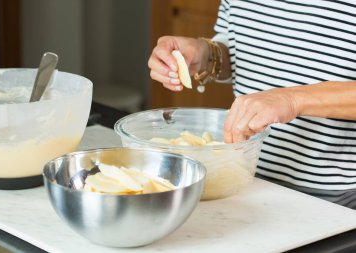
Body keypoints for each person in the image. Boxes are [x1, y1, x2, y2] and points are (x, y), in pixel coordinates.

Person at [148, 0, 356, 191]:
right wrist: (207, 55)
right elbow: (239, 44)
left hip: (336, 191)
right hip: (247, 172)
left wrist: (292, 100)